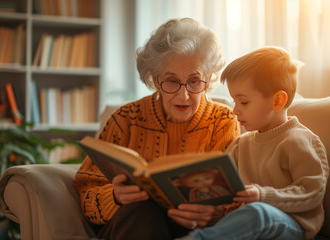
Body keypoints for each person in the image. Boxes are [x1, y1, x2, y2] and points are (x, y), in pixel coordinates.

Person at [74, 18, 240, 240]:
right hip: (130, 224)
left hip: (195, 230)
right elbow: (86, 191)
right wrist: (114, 196)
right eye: (171, 81)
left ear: (208, 79)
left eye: (194, 81)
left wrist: (217, 214)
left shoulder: (223, 121)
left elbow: (239, 195)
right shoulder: (125, 119)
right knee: (143, 211)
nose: (184, 95)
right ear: (154, 78)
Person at [174, 46, 329, 240]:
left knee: (258, 212)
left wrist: (263, 195)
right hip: (248, 226)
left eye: (244, 102)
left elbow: (312, 192)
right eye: (234, 101)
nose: (235, 110)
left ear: (278, 101)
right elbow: (221, 184)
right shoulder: (241, 144)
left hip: (290, 227)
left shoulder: (299, 141)